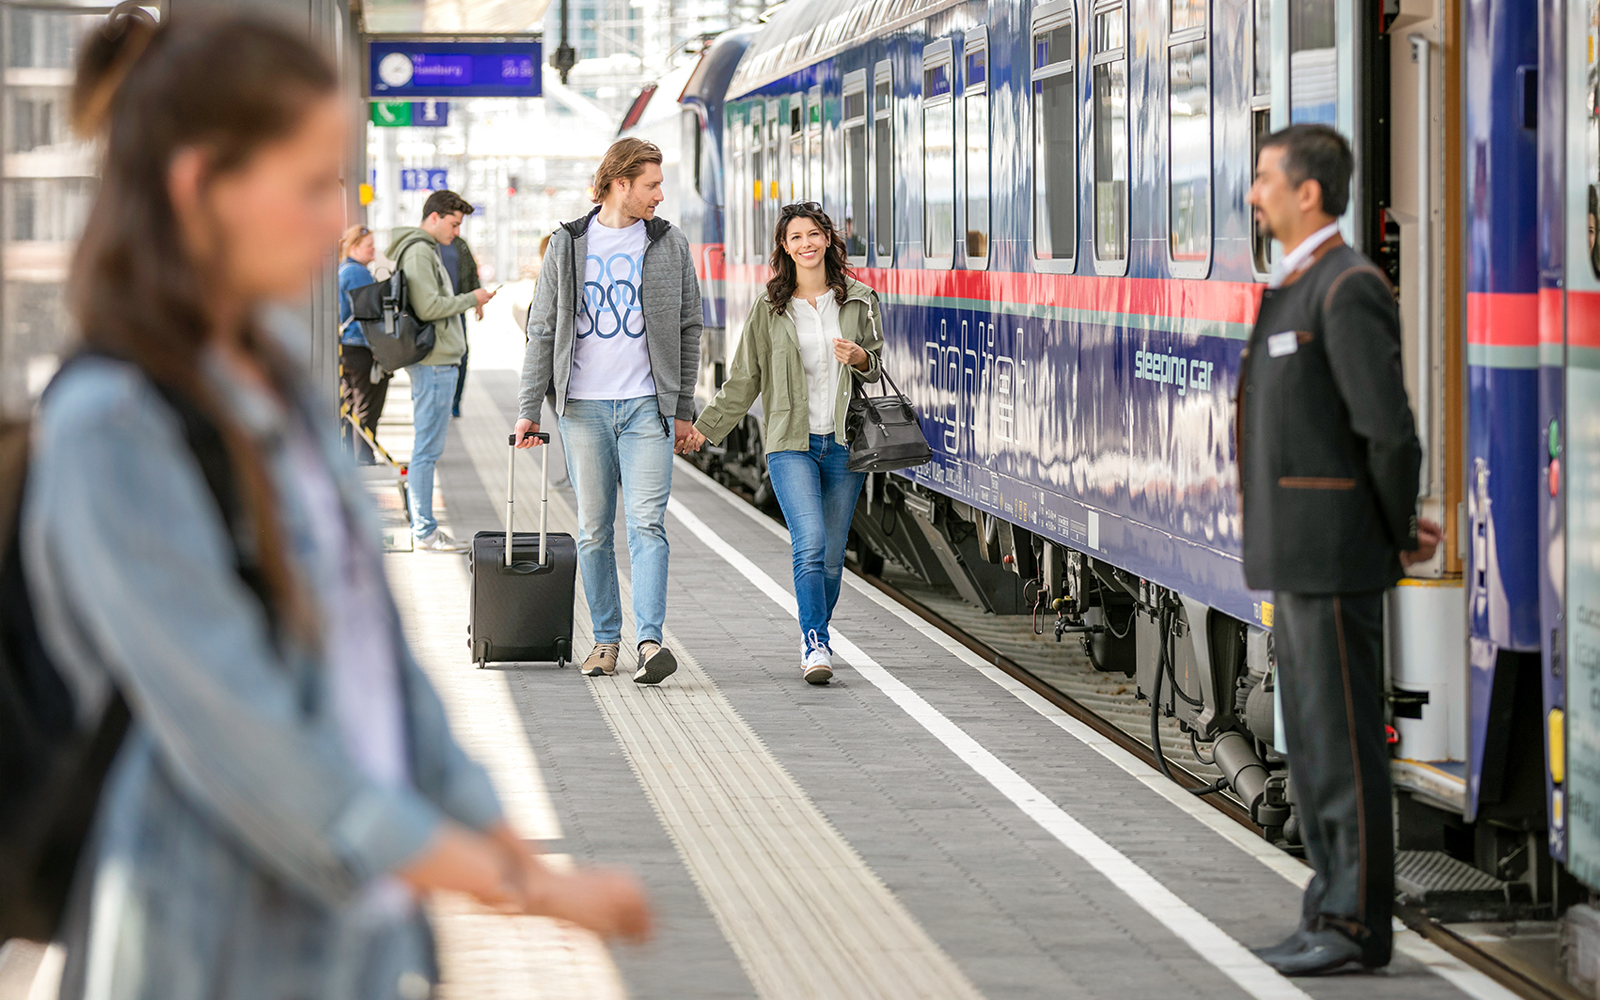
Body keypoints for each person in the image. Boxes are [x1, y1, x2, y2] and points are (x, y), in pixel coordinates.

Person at [26, 12, 650, 999]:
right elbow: (237, 727)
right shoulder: (113, 424)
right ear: (201, 186)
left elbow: (379, 651)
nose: (337, 223)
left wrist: (498, 837)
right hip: (195, 945)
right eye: (313, 187)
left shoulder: (275, 386)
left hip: (353, 944)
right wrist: (495, 880)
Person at [1237, 123, 1441, 976]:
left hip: (1336, 551)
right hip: (1303, 551)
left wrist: (1392, 529)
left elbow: (1387, 434)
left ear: (1307, 192)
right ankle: (1327, 905)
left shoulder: (1347, 286)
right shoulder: (1299, 283)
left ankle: (1357, 923)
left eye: (1263, 179)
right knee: (1314, 740)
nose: (1254, 194)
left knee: (1345, 742)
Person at [513, 138, 701, 685]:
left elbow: (690, 327)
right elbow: (542, 330)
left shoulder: (669, 245)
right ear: (620, 184)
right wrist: (529, 409)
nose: (660, 196)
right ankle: (604, 640)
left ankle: (649, 642)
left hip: (648, 408)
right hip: (583, 410)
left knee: (647, 524)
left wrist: (682, 406)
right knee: (594, 529)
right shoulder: (568, 244)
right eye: (652, 185)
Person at [683, 203, 883, 684]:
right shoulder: (770, 308)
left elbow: (876, 367)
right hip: (790, 442)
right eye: (796, 237)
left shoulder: (859, 300)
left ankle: (819, 629)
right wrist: (703, 429)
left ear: (828, 241)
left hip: (843, 443)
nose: (806, 244)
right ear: (784, 247)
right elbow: (744, 379)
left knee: (833, 554)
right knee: (809, 542)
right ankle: (814, 640)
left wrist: (859, 358)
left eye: (814, 235)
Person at [387, 190, 494, 551]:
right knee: (427, 451)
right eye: (453, 223)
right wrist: (472, 298)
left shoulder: (423, 248)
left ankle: (424, 527)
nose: (456, 232)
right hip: (434, 365)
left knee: (427, 448)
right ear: (433, 217)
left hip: (435, 364)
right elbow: (430, 306)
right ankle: (425, 530)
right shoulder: (419, 251)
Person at [336, 224, 388, 464]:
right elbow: (368, 315)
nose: (373, 250)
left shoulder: (343, 269)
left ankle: (352, 455)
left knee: (351, 404)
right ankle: (364, 457)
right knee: (367, 405)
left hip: (347, 347)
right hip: (361, 348)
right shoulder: (357, 273)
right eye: (369, 246)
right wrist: (380, 348)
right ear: (354, 247)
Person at [442, 233, 481, 419]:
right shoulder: (426, 245)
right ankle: (442, 402)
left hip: (458, 309)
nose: (456, 228)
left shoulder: (459, 244)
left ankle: (455, 402)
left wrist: (478, 304)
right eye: (454, 223)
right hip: (435, 312)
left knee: (462, 355)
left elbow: (471, 271)